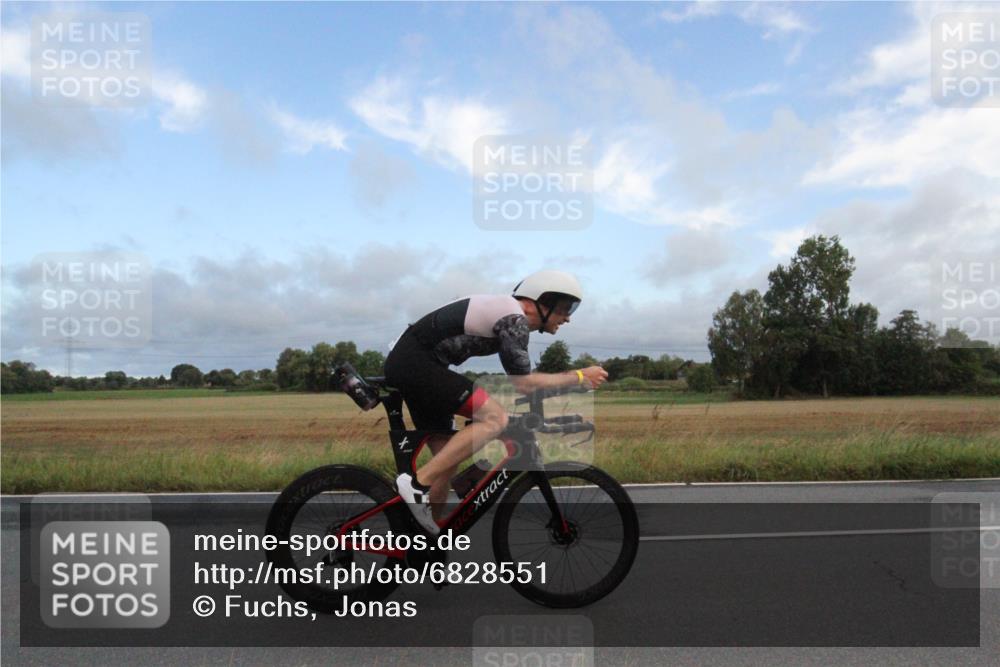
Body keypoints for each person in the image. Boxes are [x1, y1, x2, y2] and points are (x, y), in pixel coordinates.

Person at [384, 270, 608, 534]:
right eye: (565, 308)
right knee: (495, 418)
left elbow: (526, 382)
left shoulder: (508, 314)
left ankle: (426, 547)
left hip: (416, 363)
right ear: (542, 301)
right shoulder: (513, 318)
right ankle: (415, 484)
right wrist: (579, 376)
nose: (568, 317)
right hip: (416, 364)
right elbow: (523, 383)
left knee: (446, 460)